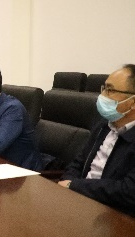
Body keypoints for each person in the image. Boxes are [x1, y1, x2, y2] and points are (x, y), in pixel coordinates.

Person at [58, 64, 135, 216]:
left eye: (110, 90)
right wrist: (67, 185)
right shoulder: (103, 126)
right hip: (81, 202)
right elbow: (78, 163)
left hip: (114, 215)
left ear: (132, 102)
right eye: (104, 88)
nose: (102, 96)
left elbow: (128, 190)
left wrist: (74, 185)